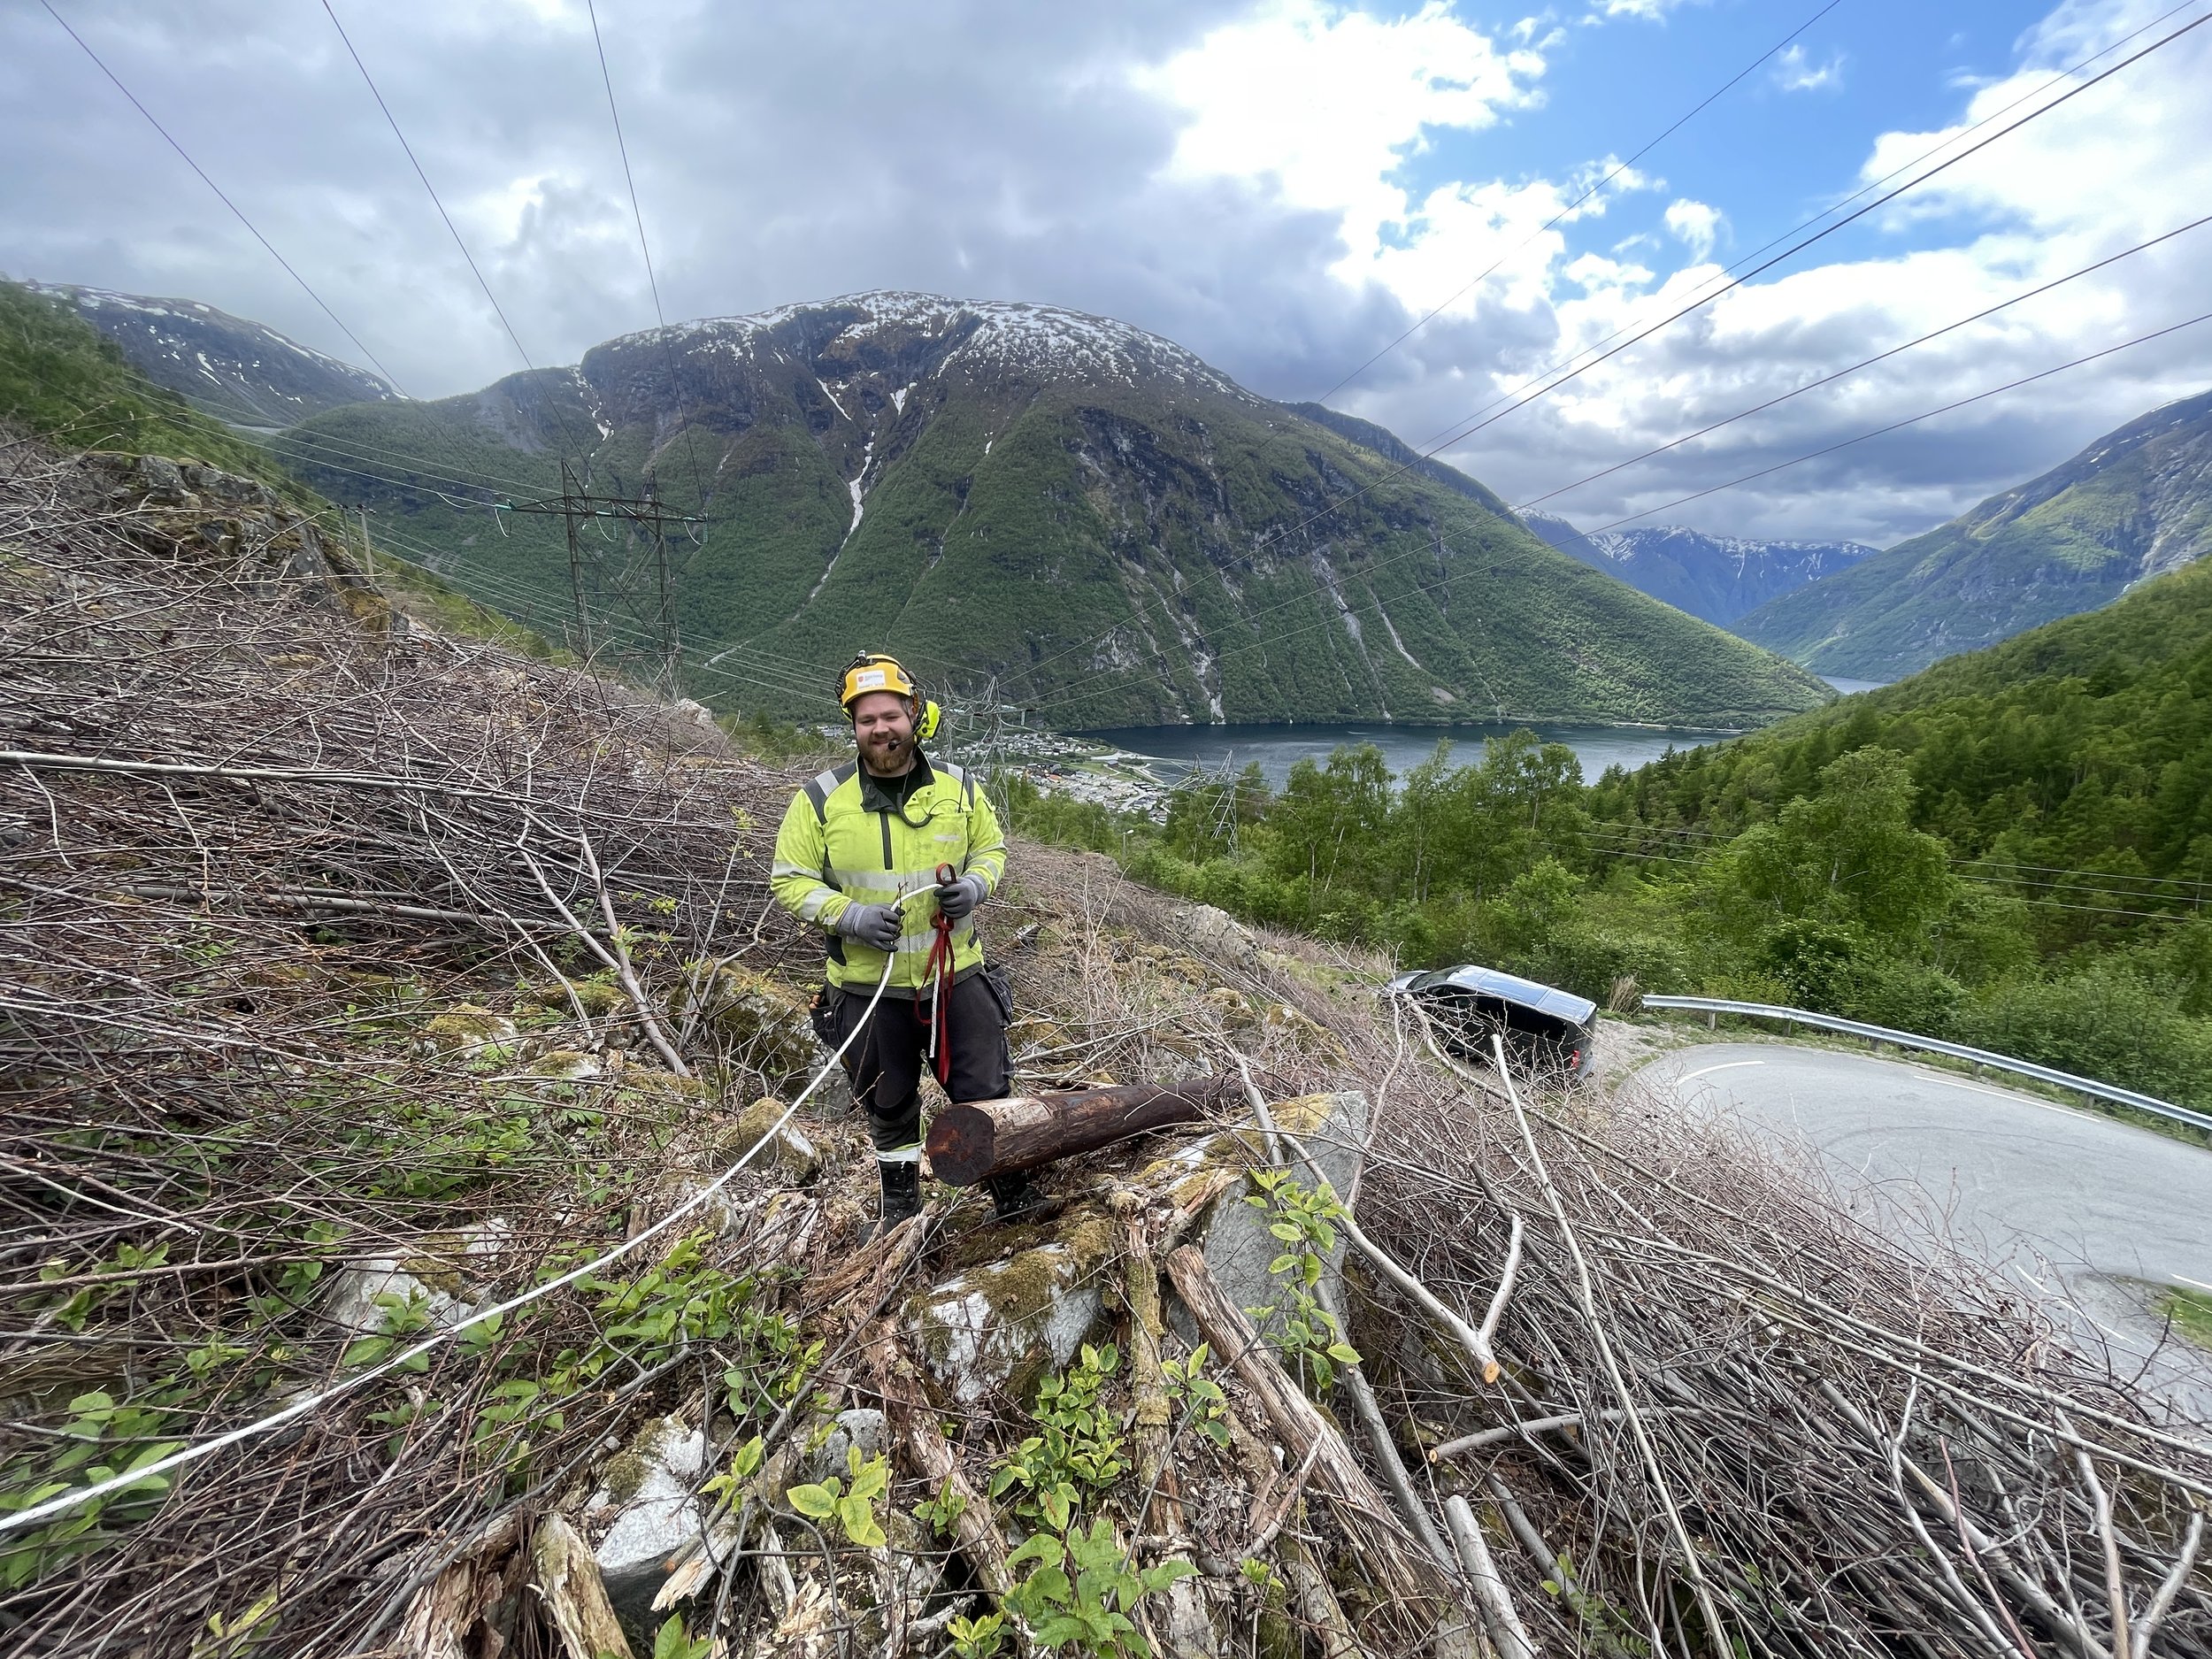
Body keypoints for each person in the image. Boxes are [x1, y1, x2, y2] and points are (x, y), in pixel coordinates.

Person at [769, 651, 1050, 1234]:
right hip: (867, 988)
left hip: (956, 976)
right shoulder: (821, 800)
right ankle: (901, 1211)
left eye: (890, 715)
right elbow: (789, 879)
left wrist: (974, 886)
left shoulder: (960, 787)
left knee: (987, 1092)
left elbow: (992, 850)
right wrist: (848, 916)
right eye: (866, 718)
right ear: (854, 726)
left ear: (914, 715)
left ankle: (1013, 1193)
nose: (880, 728)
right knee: (889, 1104)